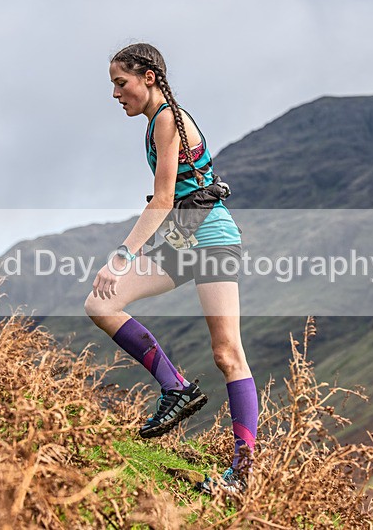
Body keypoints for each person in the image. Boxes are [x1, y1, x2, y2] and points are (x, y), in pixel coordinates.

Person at [84, 42, 258, 494]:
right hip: (185, 240)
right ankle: (176, 387)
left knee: (228, 353)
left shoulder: (167, 119)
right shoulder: (156, 122)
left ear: (149, 77)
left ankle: (241, 474)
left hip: (212, 239)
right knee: (101, 304)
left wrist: (121, 257)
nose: (116, 94)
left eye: (120, 83)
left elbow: (162, 200)